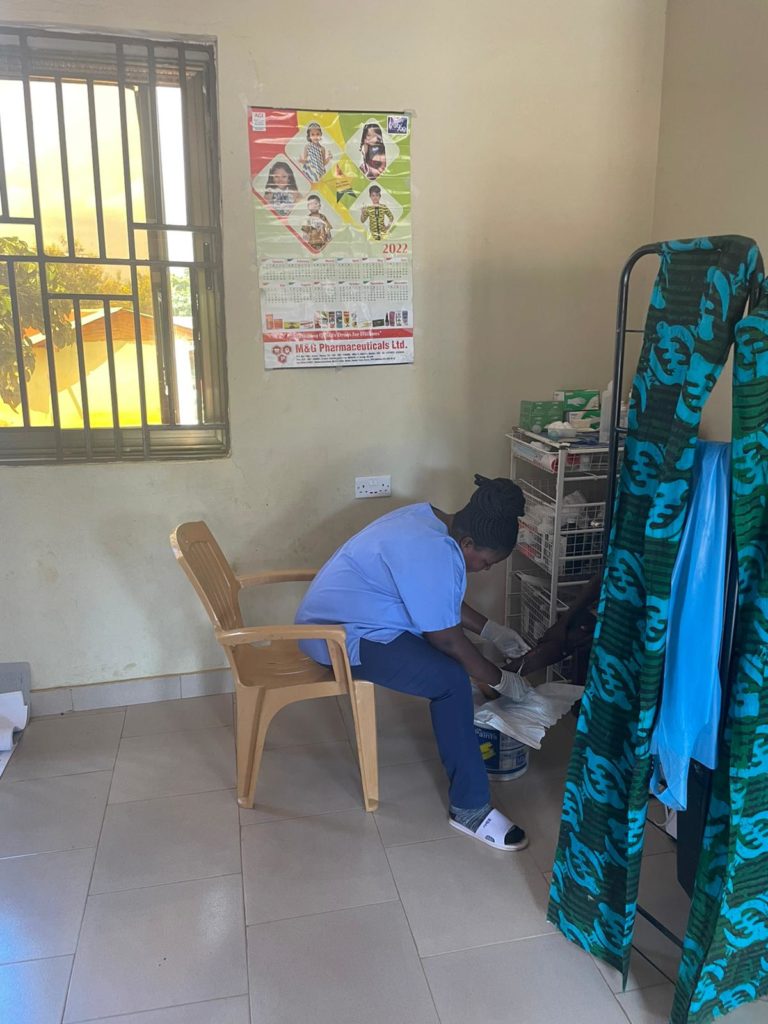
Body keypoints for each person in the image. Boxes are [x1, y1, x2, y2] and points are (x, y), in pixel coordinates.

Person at [296, 475, 535, 852]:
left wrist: (492, 631)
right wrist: (501, 680)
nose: (486, 570)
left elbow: (436, 598)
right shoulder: (432, 549)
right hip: (337, 637)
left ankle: (466, 754)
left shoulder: (427, 520)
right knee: (451, 680)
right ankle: (470, 809)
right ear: (468, 543)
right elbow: (446, 638)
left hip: (351, 619)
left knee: (455, 667)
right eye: (487, 562)